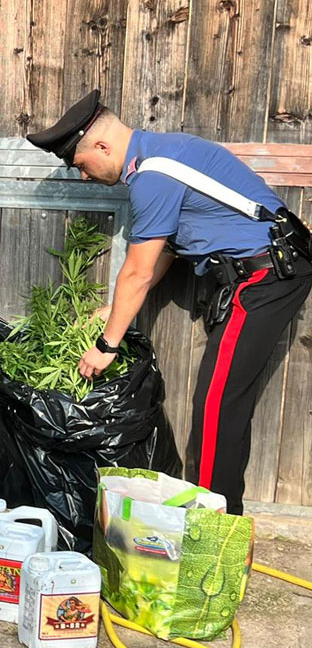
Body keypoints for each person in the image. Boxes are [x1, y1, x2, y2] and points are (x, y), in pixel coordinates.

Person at [27, 90, 312, 515]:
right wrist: (115, 310)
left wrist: (106, 345)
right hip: (265, 270)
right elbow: (165, 250)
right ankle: (215, 514)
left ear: (101, 146)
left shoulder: (154, 176)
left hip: (265, 276)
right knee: (221, 400)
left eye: (81, 165)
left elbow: (137, 271)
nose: (84, 177)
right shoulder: (160, 155)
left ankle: (214, 523)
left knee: (218, 404)